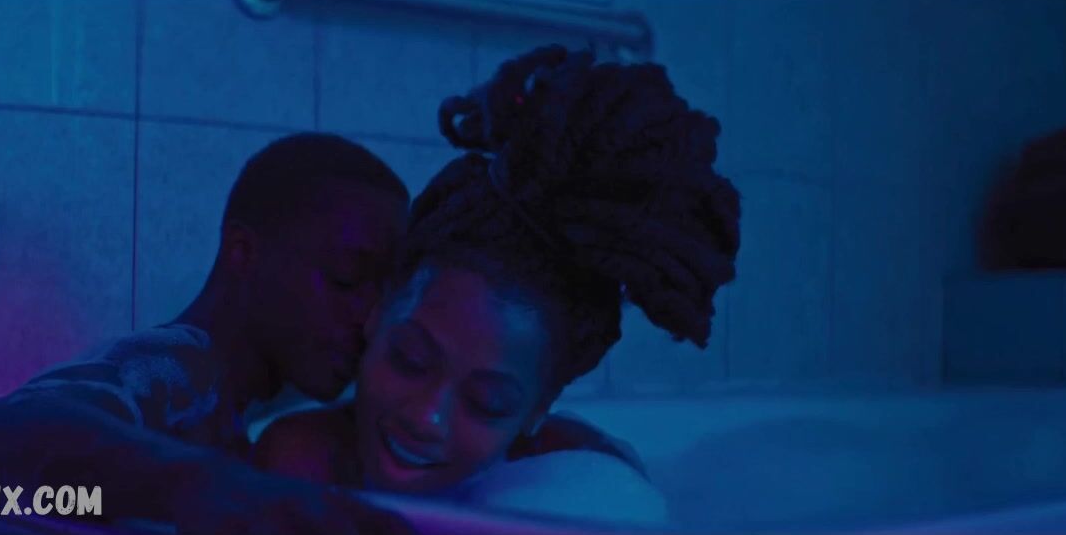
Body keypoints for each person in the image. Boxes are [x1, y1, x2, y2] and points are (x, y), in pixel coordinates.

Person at [253, 45, 742, 525]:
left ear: (536, 412)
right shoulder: (303, 465)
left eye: (486, 404)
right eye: (409, 360)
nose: (427, 417)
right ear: (377, 314)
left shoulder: (588, 496)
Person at [0, 133, 416, 534]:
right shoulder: (182, 365)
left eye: (388, 292)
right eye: (346, 279)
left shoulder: (267, 404)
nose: (372, 318)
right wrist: (206, 483)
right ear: (242, 253)